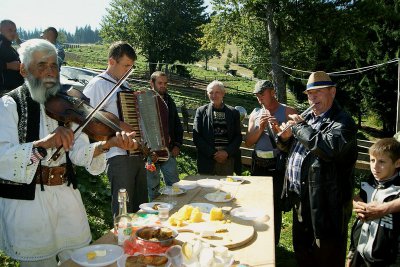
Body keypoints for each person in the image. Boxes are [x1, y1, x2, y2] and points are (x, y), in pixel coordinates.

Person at [0, 38, 139, 266]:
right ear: (24, 69)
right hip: (29, 206)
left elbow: (79, 152)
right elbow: (2, 157)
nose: (50, 72)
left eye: (54, 66)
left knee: (80, 258)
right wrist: (43, 144)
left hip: (66, 197)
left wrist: (109, 144)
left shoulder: (68, 105)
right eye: (41, 65)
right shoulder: (9, 105)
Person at [277, 71, 358, 267]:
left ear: (332, 92)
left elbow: (327, 148)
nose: (312, 98)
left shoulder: (343, 122)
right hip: (301, 198)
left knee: (326, 256)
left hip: (327, 204)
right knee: (303, 252)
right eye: (309, 94)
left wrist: (298, 128)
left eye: (318, 92)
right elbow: (295, 149)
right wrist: (284, 138)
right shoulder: (310, 119)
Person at [83, 41, 148, 216]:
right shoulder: (97, 84)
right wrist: (118, 125)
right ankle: (121, 242)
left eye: (131, 67)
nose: (129, 71)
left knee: (141, 207)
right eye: (126, 65)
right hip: (117, 155)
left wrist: (139, 103)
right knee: (124, 210)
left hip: (136, 153)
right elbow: (87, 118)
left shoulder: (125, 86)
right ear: (112, 62)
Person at [244, 80, 297, 245]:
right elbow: (248, 142)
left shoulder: (288, 111)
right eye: (257, 95)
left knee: (274, 206)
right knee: (257, 203)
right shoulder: (255, 113)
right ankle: (258, 239)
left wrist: (276, 129)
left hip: (277, 165)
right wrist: (260, 128)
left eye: (262, 93)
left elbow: (293, 143)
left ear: (272, 92)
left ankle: (272, 243)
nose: (259, 97)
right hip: (258, 164)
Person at [347, 138, 400, 267]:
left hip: (387, 260)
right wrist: (356, 202)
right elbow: (358, 197)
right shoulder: (370, 181)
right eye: (372, 160)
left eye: (381, 162)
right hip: (360, 252)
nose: (375, 167)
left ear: (397, 163)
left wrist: (385, 208)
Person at [147, 71, 183, 200]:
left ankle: (176, 212)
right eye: (160, 83)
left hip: (168, 150)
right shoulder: (143, 99)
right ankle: (156, 215)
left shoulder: (169, 100)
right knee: (152, 187)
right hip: (150, 152)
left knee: (175, 185)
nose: (163, 86)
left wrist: (177, 145)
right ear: (152, 83)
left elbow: (177, 125)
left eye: (165, 83)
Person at [193, 80, 242, 175]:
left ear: (223, 93)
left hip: (227, 160)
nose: (214, 95)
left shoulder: (233, 112)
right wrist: (213, 154)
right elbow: (197, 136)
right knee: (207, 189)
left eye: (217, 92)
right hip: (207, 160)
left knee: (226, 188)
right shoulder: (201, 111)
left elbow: (238, 136)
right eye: (211, 92)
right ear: (207, 94)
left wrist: (226, 153)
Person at [0, 19, 24, 94]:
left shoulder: (9, 46)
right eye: (10, 30)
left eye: (15, 30)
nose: (13, 33)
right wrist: (8, 65)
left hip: (14, 90)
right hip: (4, 91)